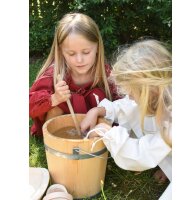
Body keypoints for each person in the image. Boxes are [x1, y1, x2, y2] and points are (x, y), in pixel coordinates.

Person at [80, 39, 172, 200]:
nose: (129, 97)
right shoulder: (159, 98)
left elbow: (141, 156)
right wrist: (98, 110)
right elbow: (128, 106)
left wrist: (107, 132)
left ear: (149, 91)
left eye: (132, 93)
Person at [29, 13, 119, 136]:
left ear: (97, 47)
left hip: (93, 122)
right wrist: (54, 98)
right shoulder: (55, 74)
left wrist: (100, 111)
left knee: (98, 97)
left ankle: (93, 140)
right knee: (57, 105)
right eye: (71, 53)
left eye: (86, 52)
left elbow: (124, 104)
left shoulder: (104, 73)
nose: (79, 60)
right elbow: (30, 105)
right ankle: (54, 140)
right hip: (62, 129)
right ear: (61, 51)